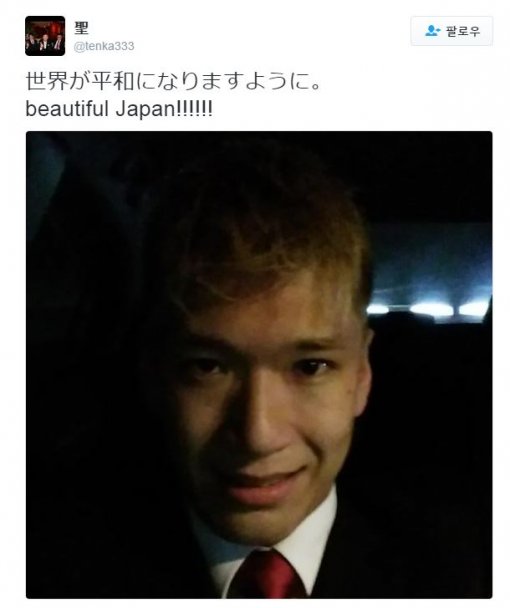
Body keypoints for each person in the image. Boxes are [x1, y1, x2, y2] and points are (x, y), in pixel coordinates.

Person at [27, 138, 488, 599]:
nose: (258, 435)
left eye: (310, 366)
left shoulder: (467, 569)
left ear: (362, 374)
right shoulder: (44, 567)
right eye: (207, 367)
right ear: (154, 374)